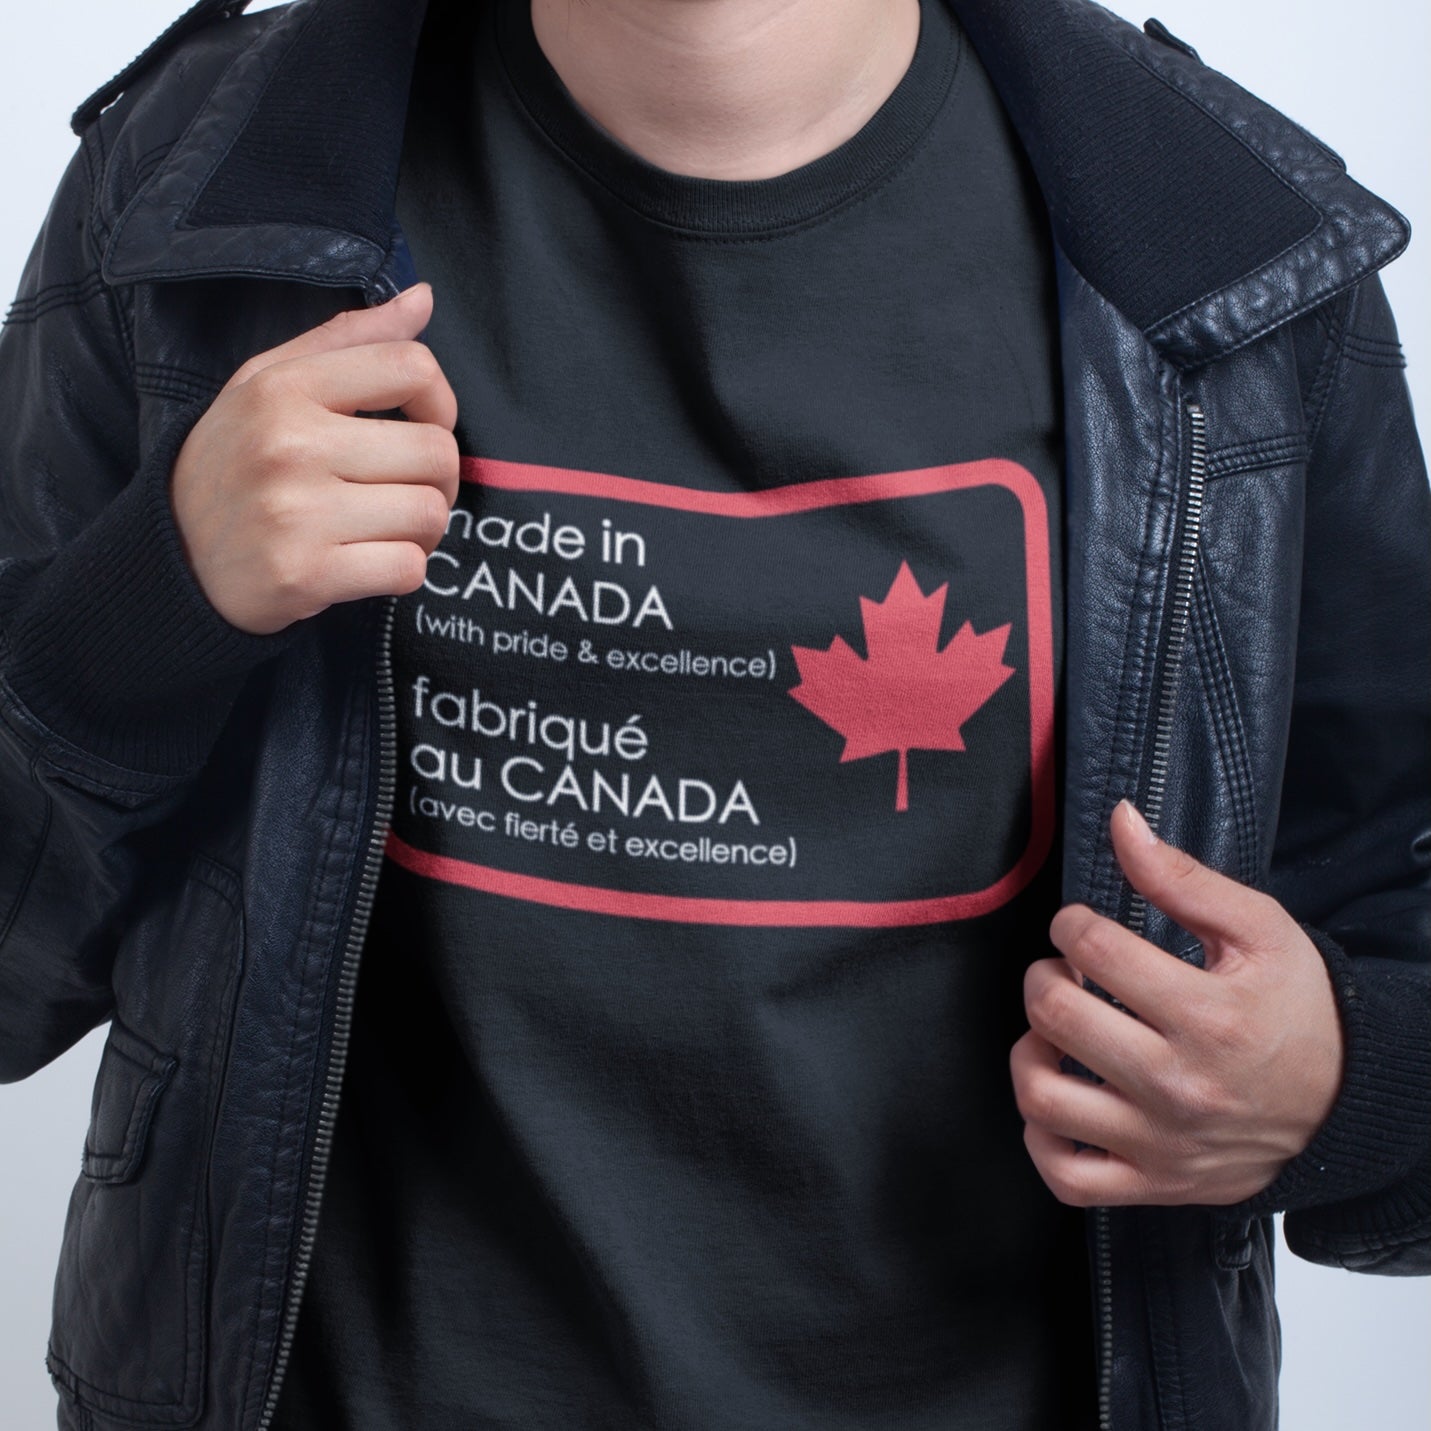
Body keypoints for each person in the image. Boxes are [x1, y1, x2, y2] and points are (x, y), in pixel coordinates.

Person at [0, 0, 1426, 1427]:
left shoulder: (1232, 257)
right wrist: (153, 601)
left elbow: (1400, 955)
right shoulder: (196, 191)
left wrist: (1341, 1088)